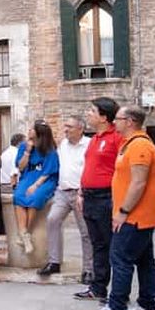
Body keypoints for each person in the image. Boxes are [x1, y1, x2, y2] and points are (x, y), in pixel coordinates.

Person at [85, 106, 155, 310]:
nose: (114, 122)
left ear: (129, 121)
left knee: (120, 259)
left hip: (134, 216)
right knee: (145, 260)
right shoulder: (131, 144)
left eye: (118, 119)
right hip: (138, 215)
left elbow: (138, 182)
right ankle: (147, 306)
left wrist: (123, 212)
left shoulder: (139, 145)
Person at [74, 97, 123, 302]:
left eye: (92, 111)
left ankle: (118, 293)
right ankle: (98, 287)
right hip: (89, 197)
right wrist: (81, 192)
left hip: (106, 197)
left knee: (112, 245)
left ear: (104, 117)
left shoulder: (117, 138)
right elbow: (89, 168)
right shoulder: (94, 139)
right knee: (97, 244)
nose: (88, 114)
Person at [38, 116, 92, 280]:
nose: (66, 129)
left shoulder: (89, 144)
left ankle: (89, 269)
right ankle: (54, 262)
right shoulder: (63, 145)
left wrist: (83, 190)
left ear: (80, 129)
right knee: (52, 220)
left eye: (70, 126)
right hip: (62, 192)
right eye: (65, 126)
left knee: (86, 231)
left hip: (81, 193)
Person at [13, 120, 59, 254]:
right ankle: (24, 235)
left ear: (39, 133)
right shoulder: (24, 146)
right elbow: (21, 167)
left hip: (45, 179)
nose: (29, 131)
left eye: (32, 129)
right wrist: (27, 151)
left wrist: (36, 185)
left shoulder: (49, 149)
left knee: (35, 197)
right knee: (18, 196)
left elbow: (48, 172)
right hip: (28, 176)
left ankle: (26, 232)